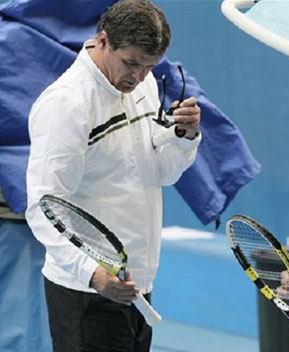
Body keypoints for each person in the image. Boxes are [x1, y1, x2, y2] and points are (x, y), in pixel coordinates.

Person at [25, 0, 201, 351]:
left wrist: (185, 138)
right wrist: (93, 275)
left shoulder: (143, 85)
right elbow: (42, 209)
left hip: (137, 286)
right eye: (131, 63)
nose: (137, 77)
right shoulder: (66, 106)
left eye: (148, 67)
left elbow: (161, 173)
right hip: (87, 294)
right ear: (102, 41)